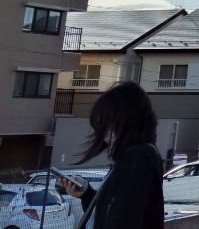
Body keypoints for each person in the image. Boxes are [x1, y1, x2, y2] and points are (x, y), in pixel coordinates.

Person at [63, 81, 165, 229]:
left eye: (105, 125)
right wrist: (86, 193)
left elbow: (124, 218)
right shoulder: (131, 157)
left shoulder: (140, 156)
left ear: (123, 121)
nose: (103, 134)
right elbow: (110, 213)